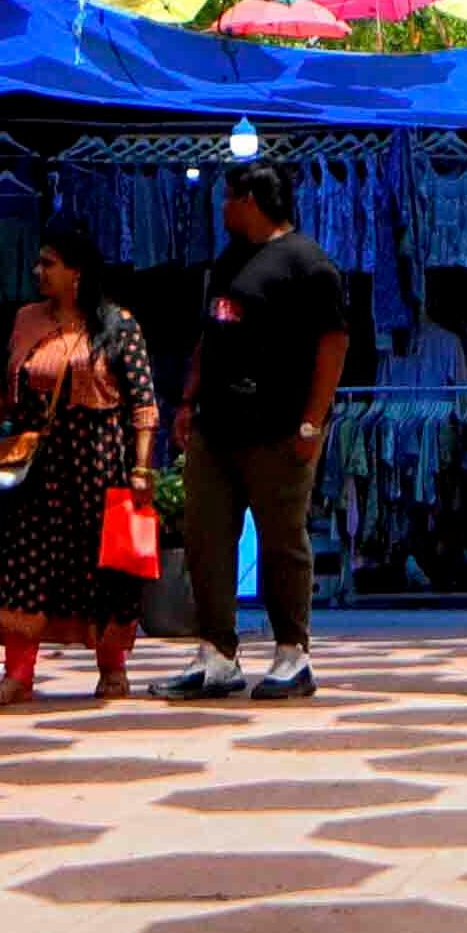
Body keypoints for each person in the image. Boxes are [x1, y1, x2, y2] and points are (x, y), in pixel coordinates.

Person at [158, 165, 348, 702]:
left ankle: (293, 653)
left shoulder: (310, 265)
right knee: (206, 539)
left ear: (252, 200)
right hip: (216, 427)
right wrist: (189, 400)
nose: (221, 210)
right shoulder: (228, 261)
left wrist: (313, 421)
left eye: (228, 199)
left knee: (282, 540)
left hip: (278, 428)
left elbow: (333, 345)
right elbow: (209, 335)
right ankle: (216, 653)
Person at [0, 223, 165, 705]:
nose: (37, 271)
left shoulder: (118, 326)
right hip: (35, 464)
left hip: (97, 462)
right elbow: (6, 390)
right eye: (39, 262)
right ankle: (18, 674)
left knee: (104, 566)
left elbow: (143, 405)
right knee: (24, 562)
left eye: (49, 263)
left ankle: (111, 666)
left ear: (77, 272)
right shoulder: (25, 320)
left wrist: (142, 470)